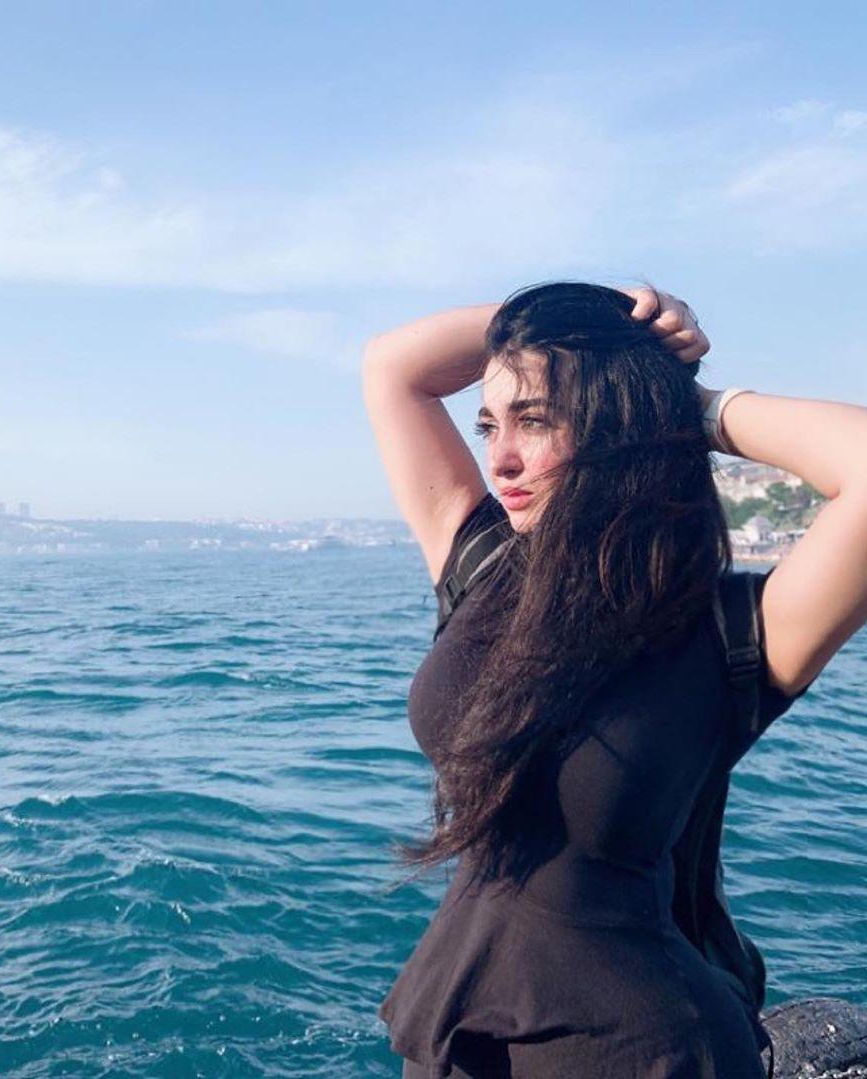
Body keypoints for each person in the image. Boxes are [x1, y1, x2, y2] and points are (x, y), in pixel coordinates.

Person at [361, 281, 867, 1079]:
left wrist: (678, 400)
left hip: (642, 1049)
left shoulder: (731, 632)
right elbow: (393, 366)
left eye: (535, 420)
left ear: (614, 423)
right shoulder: (482, 566)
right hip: (461, 1030)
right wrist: (597, 318)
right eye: (490, 423)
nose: (500, 456)